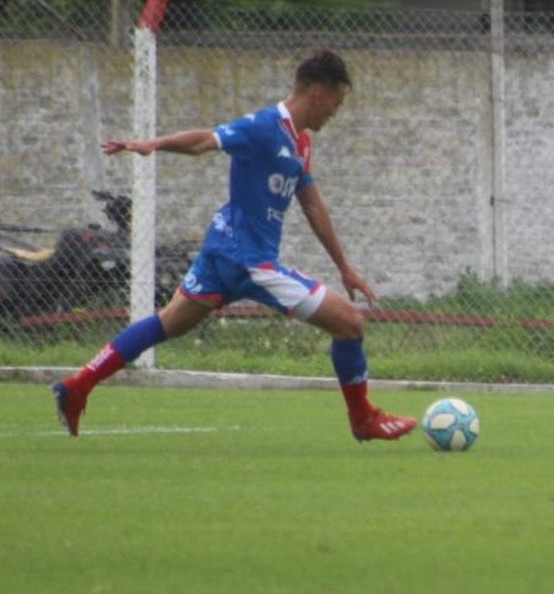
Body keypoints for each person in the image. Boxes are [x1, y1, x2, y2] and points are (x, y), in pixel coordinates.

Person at [53, 49, 416, 442]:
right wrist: (155, 143)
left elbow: (312, 205)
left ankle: (78, 385)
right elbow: (205, 140)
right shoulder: (264, 127)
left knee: (167, 323)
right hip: (249, 261)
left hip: (222, 253)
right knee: (350, 323)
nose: (336, 111)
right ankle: (363, 419)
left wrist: (344, 266)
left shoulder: (302, 144)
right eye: (336, 102)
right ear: (316, 93)